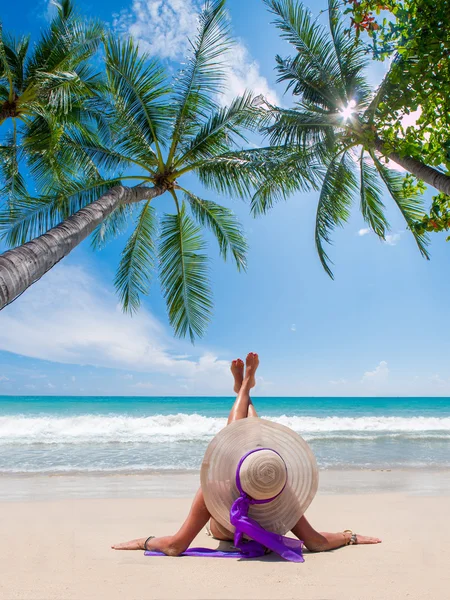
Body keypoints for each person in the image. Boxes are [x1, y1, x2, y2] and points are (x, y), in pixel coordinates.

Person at [112, 353, 381, 557]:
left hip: (223, 532)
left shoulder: (214, 490)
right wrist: (350, 537)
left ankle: (243, 389)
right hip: (265, 523)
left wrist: (143, 542)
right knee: (252, 439)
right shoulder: (282, 493)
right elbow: (317, 542)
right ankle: (244, 388)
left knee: (240, 438)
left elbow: (174, 546)